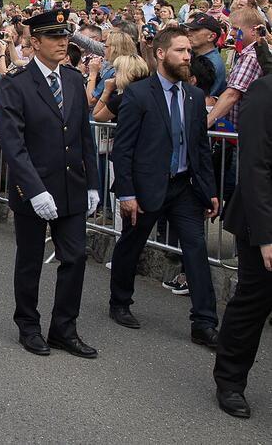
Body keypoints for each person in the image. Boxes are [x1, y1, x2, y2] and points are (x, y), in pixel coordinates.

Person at [0, 9, 100, 359]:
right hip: (34, 189)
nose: (62, 42)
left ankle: (64, 329)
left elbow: (84, 135)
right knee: (29, 260)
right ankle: (28, 325)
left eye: (65, 36)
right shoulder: (17, 82)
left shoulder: (72, 79)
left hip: (71, 186)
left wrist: (93, 184)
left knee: (75, 259)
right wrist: (35, 189)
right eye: (54, 37)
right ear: (35, 42)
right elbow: (13, 142)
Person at [107, 28, 220, 349]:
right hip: (146, 187)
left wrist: (209, 190)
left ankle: (204, 321)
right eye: (181, 51)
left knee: (196, 250)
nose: (188, 57)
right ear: (160, 54)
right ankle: (120, 302)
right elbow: (123, 148)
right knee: (132, 244)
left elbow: (200, 147)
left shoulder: (195, 97)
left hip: (184, 188)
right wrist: (126, 193)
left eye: (189, 52)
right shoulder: (139, 94)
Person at [213, 75, 272, 418]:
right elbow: (255, 168)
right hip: (261, 219)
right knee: (254, 302)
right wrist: (267, 236)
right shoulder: (264, 92)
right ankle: (230, 381)